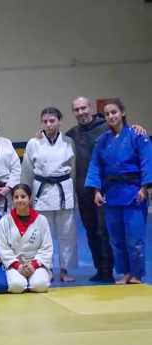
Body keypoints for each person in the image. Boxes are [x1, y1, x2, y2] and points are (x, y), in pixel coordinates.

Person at [66, 97, 146, 282]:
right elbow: (55, 138)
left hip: (110, 191)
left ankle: (115, 269)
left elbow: (140, 155)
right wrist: (40, 134)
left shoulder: (108, 129)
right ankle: (102, 270)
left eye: (84, 108)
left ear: (91, 108)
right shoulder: (74, 134)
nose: (81, 112)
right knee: (93, 232)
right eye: (77, 110)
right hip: (87, 190)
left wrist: (144, 186)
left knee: (108, 232)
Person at [85, 99, 152, 284]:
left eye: (114, 112)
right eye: (107, 114)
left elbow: (147, 161)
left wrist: (144, 187)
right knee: (116, 239)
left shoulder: (137, 136)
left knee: (135, 237)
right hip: (111, 193)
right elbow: (95, 166)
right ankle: (125, 273)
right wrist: (96, 191)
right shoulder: (102, 140)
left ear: (122, 112)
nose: (111, 116)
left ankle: (137, 274)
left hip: (133, 192)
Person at [22, 107, 78, 282]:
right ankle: (46, 268)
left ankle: (65, 270)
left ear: (60, 121)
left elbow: (73, 169)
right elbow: (27, 170)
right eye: (45, 121)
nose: (48, 124)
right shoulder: (33, 143)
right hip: (42, 191)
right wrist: (26, 194)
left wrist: (73, 191)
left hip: (64, 191)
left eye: (52, 121)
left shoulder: (68, 142)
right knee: (43, 234)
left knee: (67, 233)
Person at [0, 184, 53, 293]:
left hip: (36, 264)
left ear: (30, 198)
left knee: (40, 286)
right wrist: (17, 265)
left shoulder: (41, 220)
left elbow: (46, 247)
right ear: (12, 199)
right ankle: (21, 279)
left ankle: (37, 277)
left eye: (23, 196)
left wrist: (34, 265)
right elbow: (3, 248)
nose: (19, 200)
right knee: (16, 286)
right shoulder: (5, 221)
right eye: (16, 197)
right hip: (14, 264)